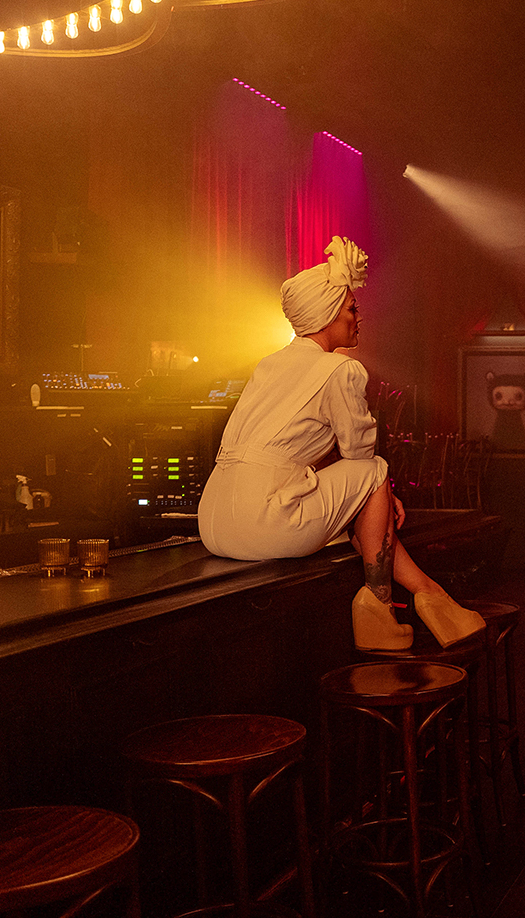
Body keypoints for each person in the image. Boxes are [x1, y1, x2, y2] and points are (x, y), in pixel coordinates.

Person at [197, 236, 485, 651]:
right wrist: (380, 491)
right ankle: (380, 606)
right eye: (352, 308)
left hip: (214, 521)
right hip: (265, 526)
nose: (358, 318)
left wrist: (374, 496)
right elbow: (359, 456)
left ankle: (429, 595)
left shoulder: (268, 365)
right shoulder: (340, 369)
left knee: (371, 488)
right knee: (375, 471)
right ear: (329, 313)